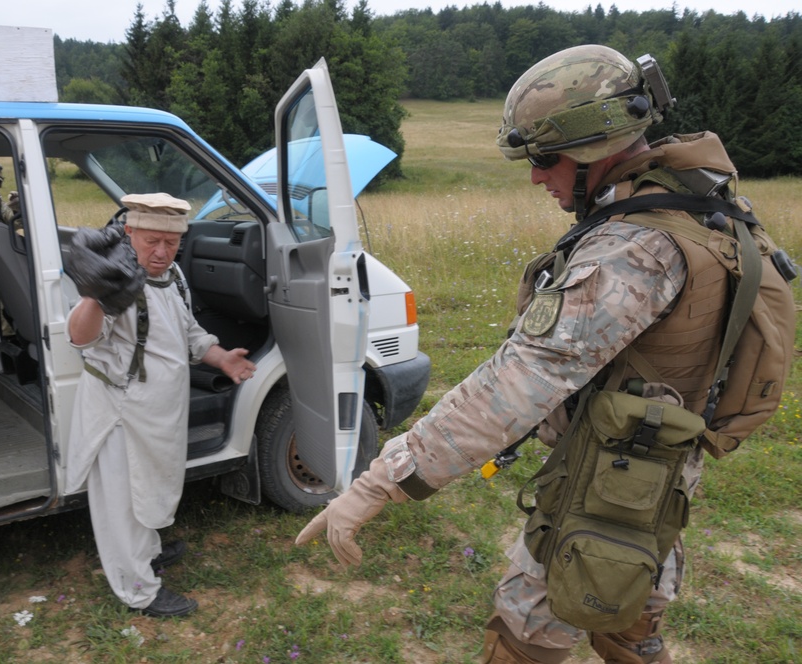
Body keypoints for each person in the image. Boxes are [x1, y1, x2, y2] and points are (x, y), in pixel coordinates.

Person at [296, 45, 760, 662]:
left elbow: (520, 382)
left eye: (545, 158)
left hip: (605, 492)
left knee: (522, 641)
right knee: (627, 621)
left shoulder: (634, 248)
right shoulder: (703, 203)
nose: (538, 177)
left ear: (594, 147)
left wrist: (377, 485)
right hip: (654, 476)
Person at [65, 192, 256, 618]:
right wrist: (95, 295)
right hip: (121, 411)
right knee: (122, 503)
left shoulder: (171, 276)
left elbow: (186, 330)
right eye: (151, 241)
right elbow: (80, 338)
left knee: (148, 488)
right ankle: (139, 591)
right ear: (129, 232)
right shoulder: (115, 281)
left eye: (171, 243)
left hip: (159, 410)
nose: (161, 252)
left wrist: (221, 357)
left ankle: (147, 554)